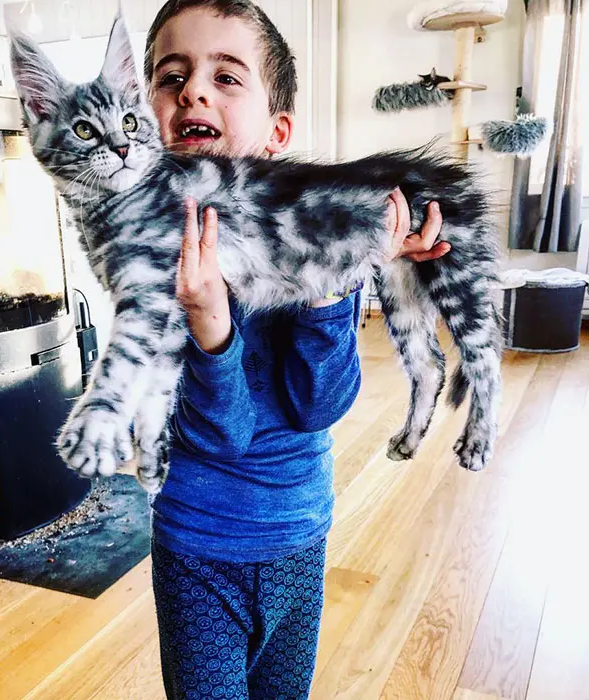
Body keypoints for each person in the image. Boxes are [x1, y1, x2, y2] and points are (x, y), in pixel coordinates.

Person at [143, 1, 450, 697]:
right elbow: (225, 433)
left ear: (277, 131)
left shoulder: (311, 232)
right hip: (201, 547)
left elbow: (321, 405)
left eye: (227, 78)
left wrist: (332, 283)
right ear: (152, 118)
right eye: (172, 76)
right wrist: (210, 324)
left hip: (300, 532)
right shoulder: (159, 261)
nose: (194, 89)